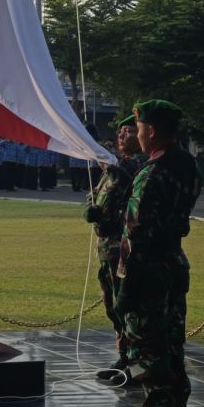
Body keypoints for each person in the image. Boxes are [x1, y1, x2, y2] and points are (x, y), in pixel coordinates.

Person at [115, 100, 201, 407]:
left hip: (147, 271)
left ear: (150, 130)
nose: (137, 134)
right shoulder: (188, 166)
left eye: (138, 128)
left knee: (146, 348)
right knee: (172, 344)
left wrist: (125, 285)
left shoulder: (151, 174)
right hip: (173, 264)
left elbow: (136, 234)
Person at [83, 115, 148, 386]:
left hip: (124, 247)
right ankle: (123, 356)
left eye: (129, 132)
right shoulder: (115, 167)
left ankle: (136, 364)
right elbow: (97, 194)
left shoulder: (137, 166)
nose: (122, 136)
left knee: (128, 305)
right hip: (106, 245)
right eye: (120, 132)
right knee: (113, 304)